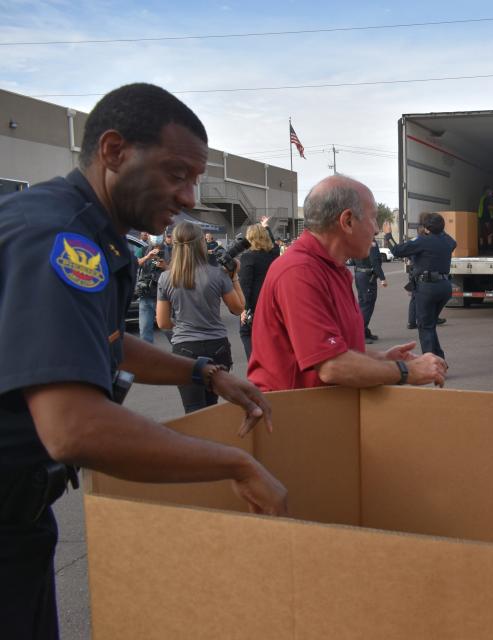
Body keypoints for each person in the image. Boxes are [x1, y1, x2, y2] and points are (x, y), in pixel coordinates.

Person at [0, 82, 286, 640]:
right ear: (113, 151)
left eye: (195, 179)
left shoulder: (93, 232)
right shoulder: (60, 239)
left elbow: (97, 343)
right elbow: (74, 428)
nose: (188, 196)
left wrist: (204, 374)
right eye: (177, 173)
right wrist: (236, 463)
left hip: (22, 515)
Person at [247, 175, 447, 391]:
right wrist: (406, 371)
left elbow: (337, 350)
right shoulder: (299, 272)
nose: (377, 229)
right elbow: (332, 365)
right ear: (348, 221)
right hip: (293, 417)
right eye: (373, 218)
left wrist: (382, 359)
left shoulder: (332, 268)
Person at [157, 221, 245, 413]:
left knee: (192, 410)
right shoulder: (217, 275)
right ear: (201, 244)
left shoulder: (166, 278)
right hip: (217, 346)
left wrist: (183, 326)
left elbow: (162, 322)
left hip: (185, 347)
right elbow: (238, 309)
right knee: (210, 408)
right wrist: (234, 277)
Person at [392, 212, 457, 359]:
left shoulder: (423, 241)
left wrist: (389, 237)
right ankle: (439, 358)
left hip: (427, 288)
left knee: (425, 326)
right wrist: (439, 229)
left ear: (426, 229)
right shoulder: (448, 241)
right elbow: (452, 242)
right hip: (444, 287)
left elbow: (397, 251)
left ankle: (431, 363)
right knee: (430, 325)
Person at [238, 223, 279, 360]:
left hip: (255, 304)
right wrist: (267, 227)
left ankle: (255, 363)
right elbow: (273, 242)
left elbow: (245, 285)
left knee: (246, 333)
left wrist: (244, 309)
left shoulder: (248, 257)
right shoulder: (274, 254)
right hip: (273, 302)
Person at [350, 238, 387, 344]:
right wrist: (382, 278)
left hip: (359, 274)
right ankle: (360, 333)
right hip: (367, 276)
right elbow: (375, 261)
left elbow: (352, 259)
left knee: (363, 303)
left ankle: (364, 331)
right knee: (367, 305)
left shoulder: (358, 240)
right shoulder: (371, 242)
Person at [134, 241, 165, 343]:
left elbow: (178, 270)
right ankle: (147, 357)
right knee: (144, 330)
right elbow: (135, 264)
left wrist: (165, 266)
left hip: (163, 296)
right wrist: (147, 257)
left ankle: (179, 353)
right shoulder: (143, 250)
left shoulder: (170, 250)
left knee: (167, 327)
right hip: (145, 294)